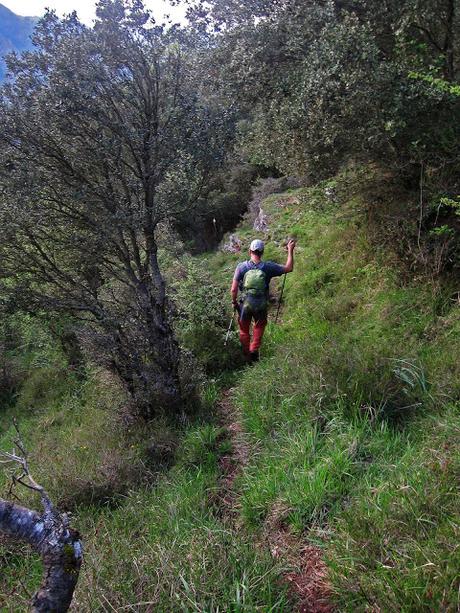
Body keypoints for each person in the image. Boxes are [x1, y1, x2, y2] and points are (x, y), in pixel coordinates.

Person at [231, 238, 296, 361]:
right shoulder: (268, 267)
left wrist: (234, 302)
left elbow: (233, 290)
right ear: (262, 252)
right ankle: (254, 351)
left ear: (250, 251)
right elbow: (289, 268)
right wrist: (290, 250)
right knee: (259, 326)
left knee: (244, 329)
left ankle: (246, 354)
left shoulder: (241, 267)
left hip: (245, 304)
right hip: (261, 304)